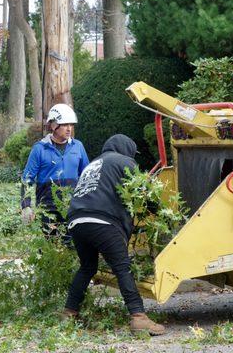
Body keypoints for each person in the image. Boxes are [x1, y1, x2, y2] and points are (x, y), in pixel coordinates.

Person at [61, 134, 165, 336]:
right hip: (102, 222)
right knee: (122, 267)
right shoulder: (124, 161)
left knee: (87, 267)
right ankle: (138, 317)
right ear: (126, 150)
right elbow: (143, 192)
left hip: (76, 221)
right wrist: (161, 214)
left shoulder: (94, 164)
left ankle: (69, 313)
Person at [21, 104, 89, 242]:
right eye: (64, 124)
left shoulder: (78, 146)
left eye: (71, 124)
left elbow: (87, 175)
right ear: (53, 126)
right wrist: (26, 206)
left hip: (72, 207)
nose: (69, 128)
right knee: (50, 248)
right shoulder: (39, 149)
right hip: (47, 210)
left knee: (73, 246)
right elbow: (27, 179)